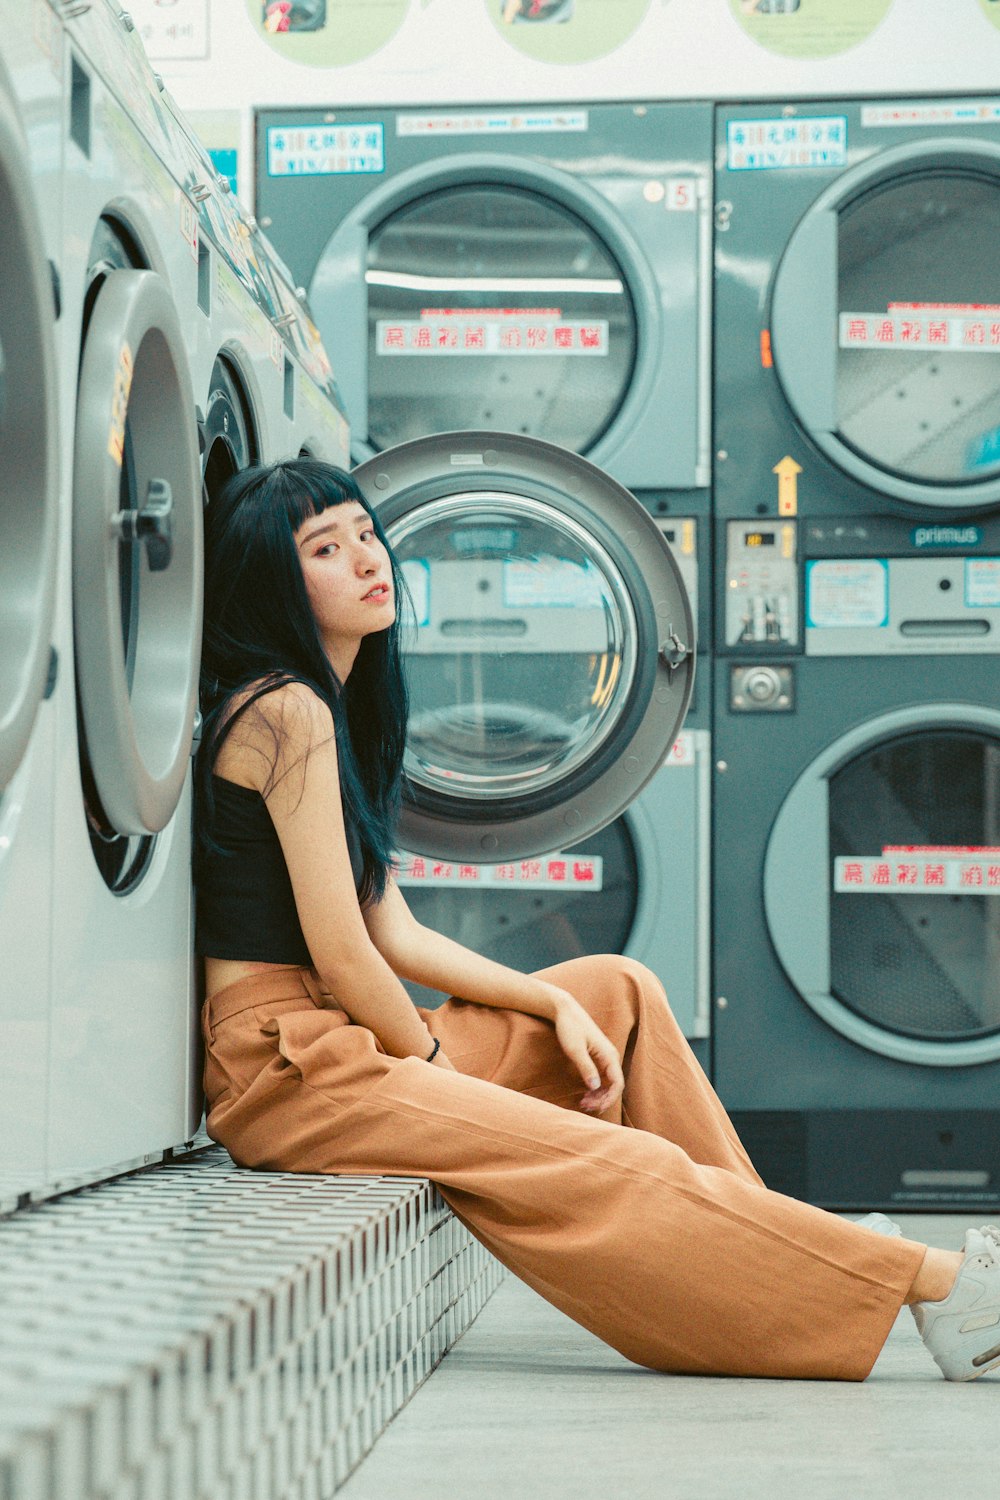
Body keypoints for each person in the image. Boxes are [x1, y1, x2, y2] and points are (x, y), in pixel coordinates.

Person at [195, 457, 1000, 1383]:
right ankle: (946, 1289)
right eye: (325, 549)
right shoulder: (283, 709)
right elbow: (342, 954)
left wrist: (550, 1007)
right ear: (272, 584)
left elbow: (395, 936)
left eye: (366, 533)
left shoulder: (330, 711)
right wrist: (429, 1067)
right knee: (597, 1156)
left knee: (616, 988)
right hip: (290, 1071)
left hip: (339, 1038)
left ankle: (766, 1229)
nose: (368, 559)